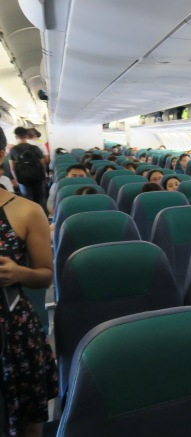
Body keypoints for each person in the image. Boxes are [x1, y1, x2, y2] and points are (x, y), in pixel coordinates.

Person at [0, 127, 58, 436]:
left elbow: (46, 274)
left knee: (27, 416)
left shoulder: (26, 211)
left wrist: (18, 274)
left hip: (14, 331)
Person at [9, 128, 47, 211]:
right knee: (40, 200)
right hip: (37, 178)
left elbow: (12, 168)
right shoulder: (35, 148)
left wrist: (17, 180)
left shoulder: (13, 150)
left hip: (23, 180)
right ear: (26, 136)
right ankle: (44, 219)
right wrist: (43, 175)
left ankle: (31, 220)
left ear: (16, 137)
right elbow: (42, 164)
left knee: (28, 201)